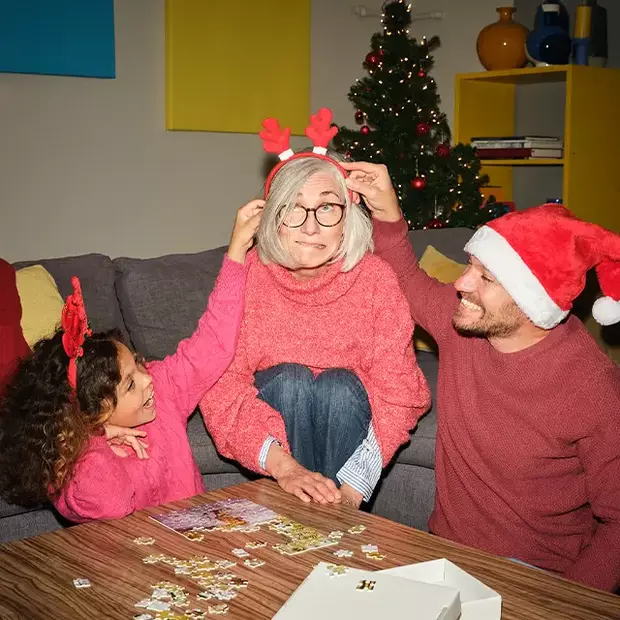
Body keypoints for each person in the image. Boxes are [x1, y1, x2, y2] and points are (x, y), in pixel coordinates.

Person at [342, 160, 620, 592]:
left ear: (534, 302)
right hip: (444, 558)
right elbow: (406, 278)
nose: (462, 283)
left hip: (534, 579)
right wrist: (387, 212)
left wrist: (566, 604)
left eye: (485, 277)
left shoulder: (592, 388)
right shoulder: (463, 330)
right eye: (470, 265)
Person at [200, 109, 431, 509]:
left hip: (349, 435)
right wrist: (287, 470)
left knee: (339, 386)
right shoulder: (250, 275)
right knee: (290, 379)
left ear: (347, 217)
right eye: (294, 207)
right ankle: (303, 519)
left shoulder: (375, 279)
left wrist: (354, 488)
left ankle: (330, 522)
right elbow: (221, 385)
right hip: (279, 442)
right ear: (273, 218)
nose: (310, 226)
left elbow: (401, 394)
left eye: (327, 208)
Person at [0, 202, 263, 522]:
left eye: (138, 364)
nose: (147, 378)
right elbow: (111, 503)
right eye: (130, 383)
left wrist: (236, 251)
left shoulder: (163, 389)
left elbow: (214, 341)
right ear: (96, 411)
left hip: (201, 544)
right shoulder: (80, 469)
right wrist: (92, 442)